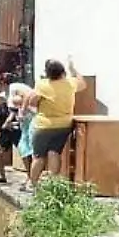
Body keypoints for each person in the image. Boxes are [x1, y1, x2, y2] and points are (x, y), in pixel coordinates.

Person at [27, 58, 80, 186]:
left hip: (44, 125)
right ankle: (53, 185)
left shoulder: (42, 85)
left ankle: (33, 184)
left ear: (47, 73)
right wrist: (73, 70)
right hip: (64, 125)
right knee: (54, 152)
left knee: (39, 156)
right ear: (62, 72)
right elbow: (83, 83)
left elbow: (32, 102)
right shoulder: (70, 83)